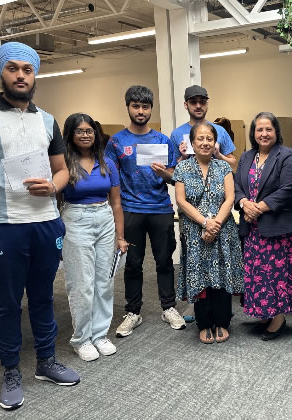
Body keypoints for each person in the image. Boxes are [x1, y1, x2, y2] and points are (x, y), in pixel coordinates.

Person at [0, 42, 79, 411]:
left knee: (42, 298)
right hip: (4, 227)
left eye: (28, 69)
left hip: (44, 224)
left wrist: (54, 186)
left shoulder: (47, 120)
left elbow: (62, 170)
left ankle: (45, 361)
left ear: (35, 74)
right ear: (1, 72)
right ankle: (10, 369)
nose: (21, 75)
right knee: (8, 303)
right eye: (14, 69)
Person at [105, 85, 186, 337]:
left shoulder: (163, 140)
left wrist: (166, 173)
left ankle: (168, 307)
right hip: (130, 210)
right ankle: (133, 312)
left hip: (160, 208)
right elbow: (111, 179)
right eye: (136, 106)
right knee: (133, 263)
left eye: (145, 107)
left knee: (164, 260)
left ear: (151, 109)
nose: (141, 111)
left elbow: (176, 177)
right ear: (128, 106)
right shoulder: (116, 142)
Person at [61, 113, 128, 361]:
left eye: (89, 130)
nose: (86, 135)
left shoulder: (107, 162)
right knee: (82, 284)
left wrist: (120, 237)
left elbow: (117, 203)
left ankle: (99, 334)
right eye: (80, 131)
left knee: (104, 282)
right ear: (70, 134)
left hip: (105, 219)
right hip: (75, 219)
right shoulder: (63, 163)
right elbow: (54, 200)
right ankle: (82, 338)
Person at [172, 122, 244, 344]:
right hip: (195, 233)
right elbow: (181, 201)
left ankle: (222, 321)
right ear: (192, 142)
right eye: (200, 139)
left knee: (221, 276)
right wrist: (205, 222)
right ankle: (204, 323)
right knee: (200, 277)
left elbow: (230, 198)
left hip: (223, 231)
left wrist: (216, 224)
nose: (205, 143)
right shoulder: (182, 168)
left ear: (215, 143)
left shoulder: (223, 167)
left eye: (209, 139)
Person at [234, 112, 292, 341]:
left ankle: (279, 318)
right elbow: (236, 186)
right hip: (251, 229)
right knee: (257, 274)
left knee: (276, 274)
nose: (264, 134)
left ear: (276, 132)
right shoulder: (246, 156)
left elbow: (288, 188)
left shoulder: (286, 155)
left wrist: (258, 208)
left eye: (268, 129)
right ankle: (264, 312)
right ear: (253, 133)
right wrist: (243, 203)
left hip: (275, 227)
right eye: (259, 129)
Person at [170, 85, 237, 170]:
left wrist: (218, 155)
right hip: (188, 182)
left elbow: (233, 165)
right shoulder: (176, 134)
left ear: (207, 104)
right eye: (193, 102)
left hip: (217, 182)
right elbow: (172, 172)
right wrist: (183, 157)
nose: (198, 106)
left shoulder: (220, 131)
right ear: (186, 105)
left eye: (202, 102)